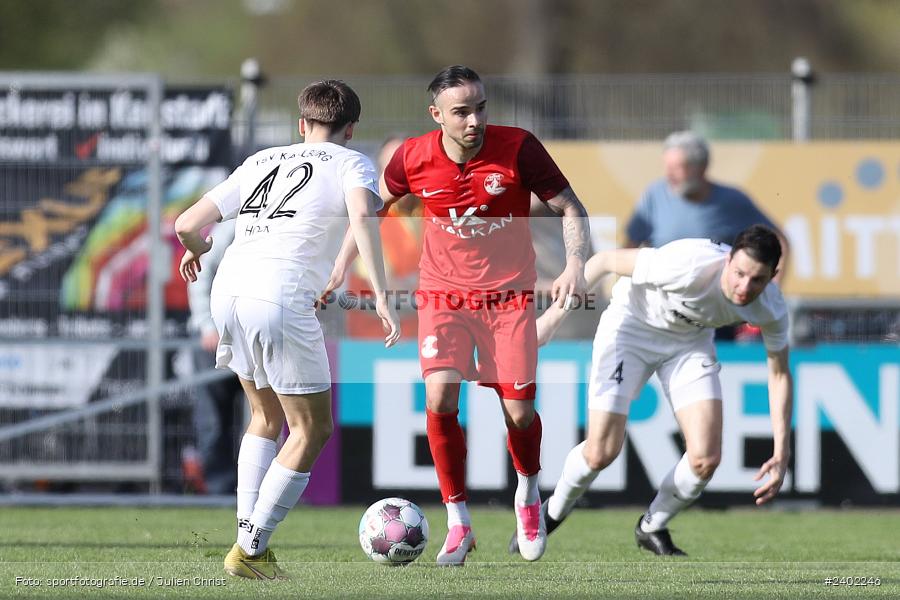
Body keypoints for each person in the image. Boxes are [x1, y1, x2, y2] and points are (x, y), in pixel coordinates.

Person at [327, 65, 591, 565]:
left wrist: (575, 262)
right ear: (437, 116)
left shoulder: (519, 147)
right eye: (462, 111)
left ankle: (529, 494)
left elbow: (570, 207)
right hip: (443, 294)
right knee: (441, 395)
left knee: (518, 411)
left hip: (509, 297)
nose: (475, 120)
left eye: (481, 107)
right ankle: (458, 522)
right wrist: (342, 265)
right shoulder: (413, 156)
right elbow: (371, 212)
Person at [175, 79, 400, 579]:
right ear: (351, 129)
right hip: (279, 297)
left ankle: (246, 541)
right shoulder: (351, 162)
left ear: (302, 124)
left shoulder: (260, 160)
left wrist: (198, 246)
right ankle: (251, 548)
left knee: (264, 417)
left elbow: (187, 222)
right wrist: (382, 295)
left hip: (227, 294)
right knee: (312, 427)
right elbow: (365, 216)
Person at [509, 224, 793, 556]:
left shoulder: (771, 307)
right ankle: (553, 511)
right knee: (601, 452)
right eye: (740, 273)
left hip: (689, 343)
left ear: (773, 276)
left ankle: (652, 526)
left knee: (705, 459)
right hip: (631, 328)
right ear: (728, 260)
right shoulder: (687, 263)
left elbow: (779, 375)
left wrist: (782, 451)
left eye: (757, 280)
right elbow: (601, 262)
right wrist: (552, 320)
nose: (744, 287)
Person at [625, 131, 789, 284]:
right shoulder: (654, 196)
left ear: (701, 167)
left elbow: (778, 240)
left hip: (717, 309)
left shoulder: (732, 201)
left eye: (678, 167)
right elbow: (629, 248)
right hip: (661, 305)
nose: (669, 174)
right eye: (667, 167)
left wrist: (770, 289)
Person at [183, 218, 241, 495]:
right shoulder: (232, 225)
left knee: (267, 419)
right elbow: (200, 272)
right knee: (213, 419)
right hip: (216, 339)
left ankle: (261, 492)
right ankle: (219, 490)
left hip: (255, 335)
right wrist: (207, 324)